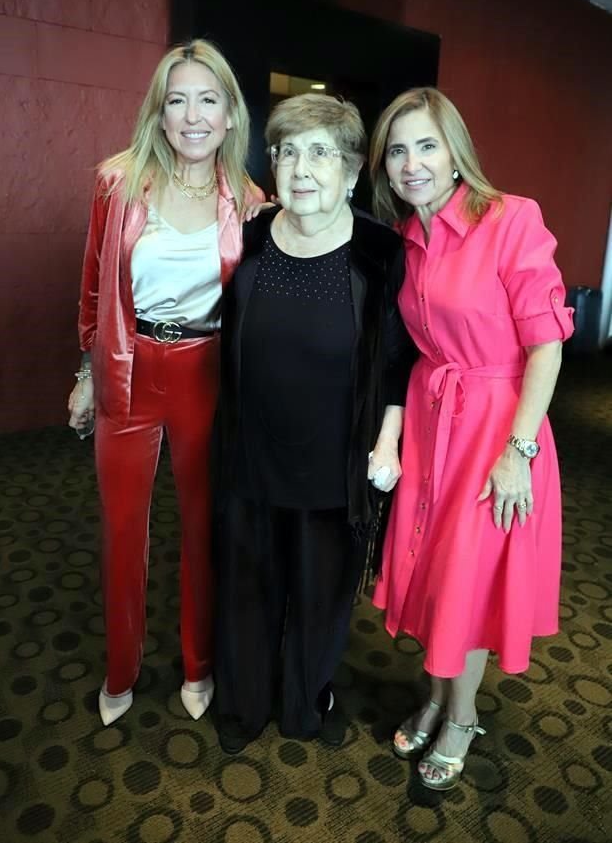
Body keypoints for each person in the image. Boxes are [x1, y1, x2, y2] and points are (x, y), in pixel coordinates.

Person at [369, 87, 574, 790]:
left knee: (469, 582)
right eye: (398, 150)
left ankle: (460, 717)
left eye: (427, 145)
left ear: (457, 151)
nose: (412, 162)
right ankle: (435, 694)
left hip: (497, 427)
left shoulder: (511, 219)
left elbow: (546, 349)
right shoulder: (405, 238)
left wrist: (518, 451)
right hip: (435, 422)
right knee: (434, 572)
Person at [67, 40, 263, 726]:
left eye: (208, 99)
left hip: (207, 375)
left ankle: (198, 661)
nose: (192, 115)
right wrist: (88, 372)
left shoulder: (249, 199)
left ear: (232, 116)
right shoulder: (117, 184)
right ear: (158, 113)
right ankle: (120, 668)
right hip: (130, 367)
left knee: (204, 529)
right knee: (123, 528)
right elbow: (95, 286)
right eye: (176, 99)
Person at [213, 93, 416, 754]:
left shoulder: (381, 252)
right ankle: (244, 702)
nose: (300, 168)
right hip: (251, 453)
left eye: (320, 152)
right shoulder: (244, 237)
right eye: (286, 150)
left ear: (353, 170)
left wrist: (389, 439)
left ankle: (306, 700)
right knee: (248, 588)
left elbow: (395, 361)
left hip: (336, 462)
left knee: (321, 593)